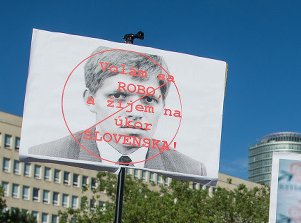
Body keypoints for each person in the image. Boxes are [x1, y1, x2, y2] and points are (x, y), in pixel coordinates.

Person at [30, 47, 206, 176]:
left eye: (148, 99)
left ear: (163, 106)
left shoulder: (191, 170)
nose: (134, 112)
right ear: (90, 100)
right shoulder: (46, 154)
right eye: (119, 96)